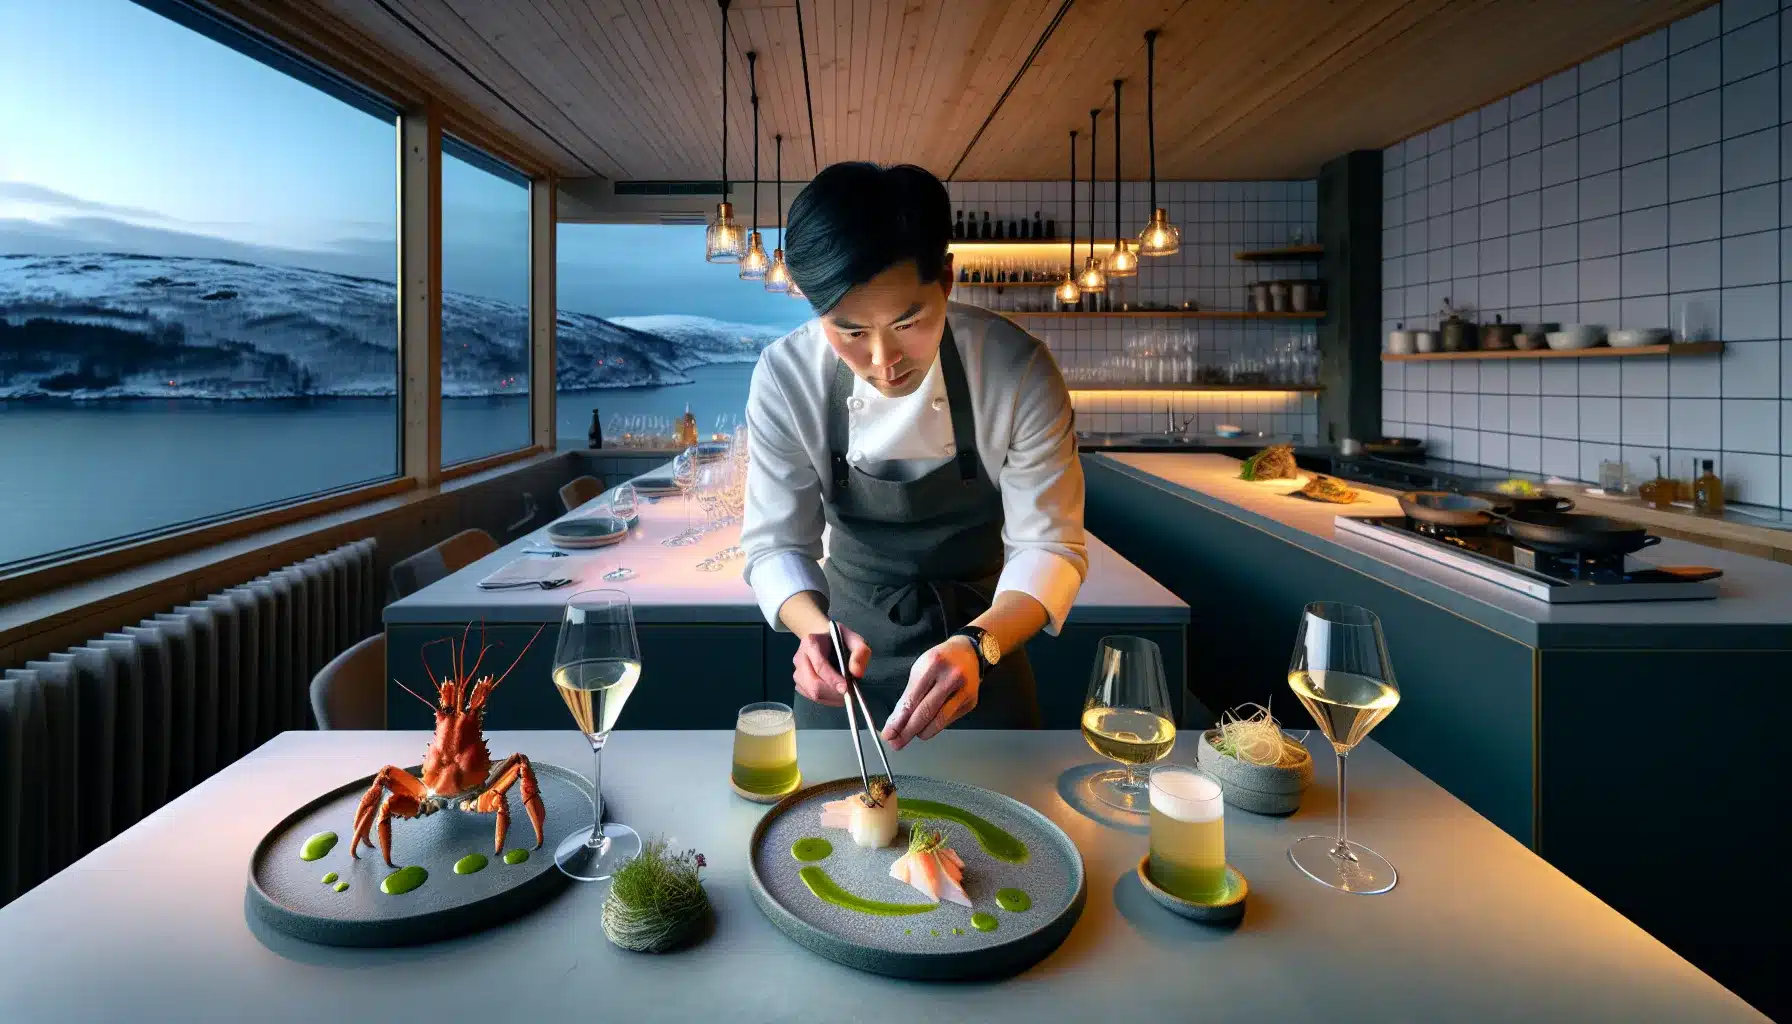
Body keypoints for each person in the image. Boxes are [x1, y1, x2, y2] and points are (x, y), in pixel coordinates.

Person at [740, 162, 1086, 750]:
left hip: (985, 660)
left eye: (909, 322)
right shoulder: (784, 377)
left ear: (947, 279)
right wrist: (814, 632)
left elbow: (1048, 547)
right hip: (844, 675)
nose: (883, 360)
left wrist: (981, 645)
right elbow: (776, 544)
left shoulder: (1016, 370)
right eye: (849, 331)